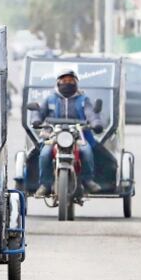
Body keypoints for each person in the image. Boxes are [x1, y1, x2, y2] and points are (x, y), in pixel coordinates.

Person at [34, 68, 104, 198]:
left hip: (77, 133)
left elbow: (91, 113)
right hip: (54, 133)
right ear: (58, 83)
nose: (67, 83)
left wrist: (96, 123)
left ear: (76, 83)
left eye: (71, 81)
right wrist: (36, 120)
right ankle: (44, 184)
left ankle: (88, 180)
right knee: (44, 154)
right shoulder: (50, 99)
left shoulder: (83, 99)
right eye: (64, 80)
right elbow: (39, 112)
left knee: (87, 151)